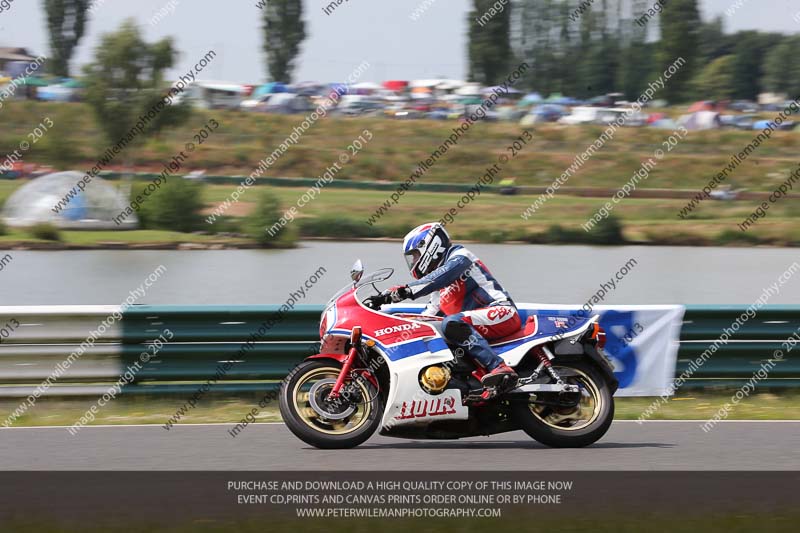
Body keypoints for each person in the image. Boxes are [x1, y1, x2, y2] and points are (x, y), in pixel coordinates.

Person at [383, 222, 520, 393]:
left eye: (416, 255)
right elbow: (426, 318)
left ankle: (498, 367)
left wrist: (405, 291)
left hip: (502, 311)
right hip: (473, 322)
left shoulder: (460, 256)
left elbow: (439, 277)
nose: (415, 262)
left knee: (451, 323)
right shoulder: (439, 289)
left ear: (430, 246)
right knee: (432, 329)